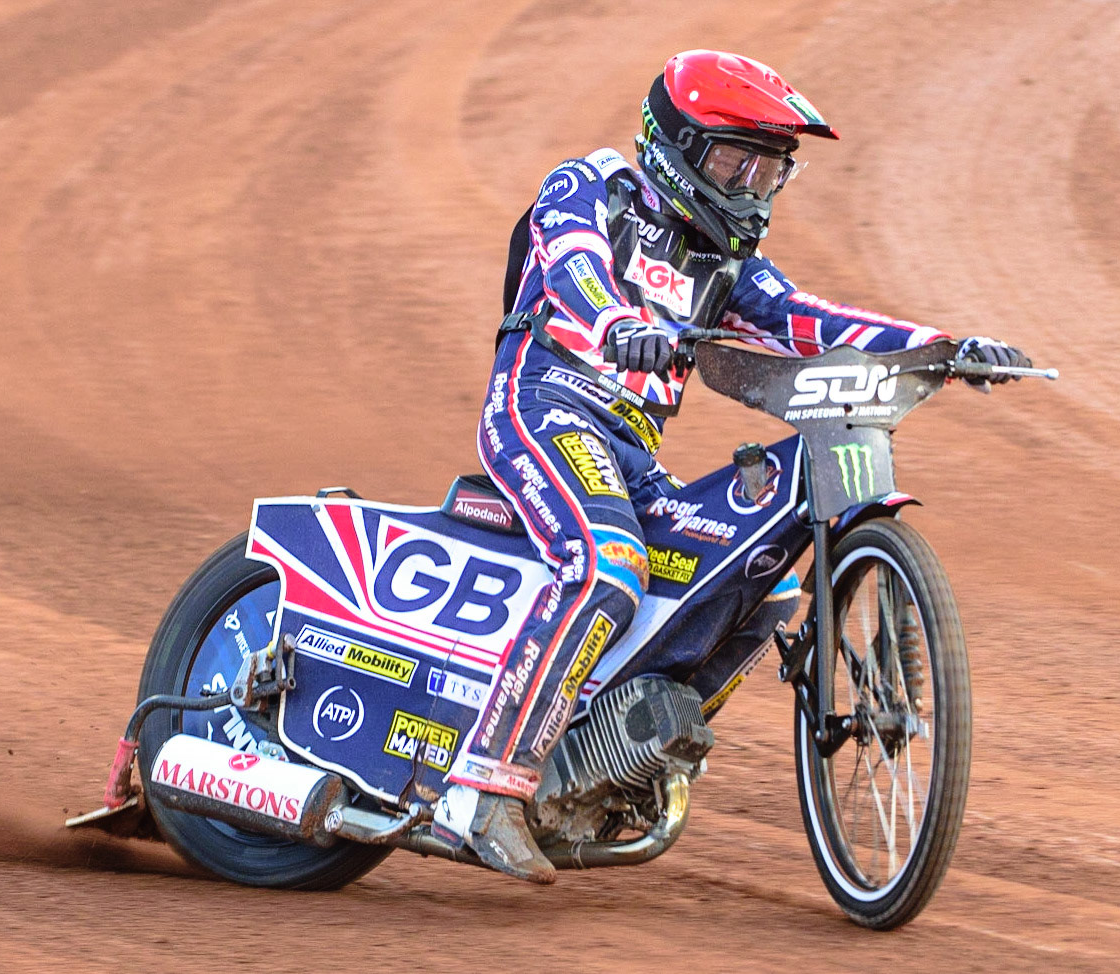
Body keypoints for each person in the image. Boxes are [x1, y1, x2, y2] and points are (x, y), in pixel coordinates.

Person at [432, 49, 1029, 883]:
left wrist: (943, 347)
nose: (750, 187)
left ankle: (618, 764)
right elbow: (570, 264)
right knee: (606, 564)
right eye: (732, 161)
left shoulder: (729, 265)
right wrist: (611, 323)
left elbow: (806, 319)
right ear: (673, 143)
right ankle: (484, 787)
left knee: (762, 581)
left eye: (768, 170)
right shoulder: (594, 186)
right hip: (543, 410)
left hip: (630, 453)